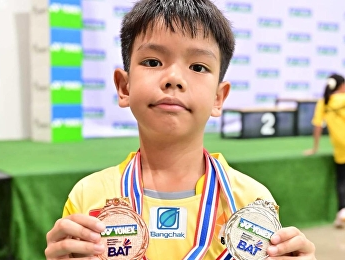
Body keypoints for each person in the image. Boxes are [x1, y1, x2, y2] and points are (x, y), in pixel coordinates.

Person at [45, 0, 316, 259]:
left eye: (198, 67)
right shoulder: (88, 196)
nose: (174, 78)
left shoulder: (250, 203)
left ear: (218, 98)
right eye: (153, 62)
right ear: (124, 87)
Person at [304, 73, 345, 228]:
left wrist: (315, 148)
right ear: (342, 86)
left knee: (342, 179)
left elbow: (317, 126)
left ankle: (342, 210)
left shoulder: (324, 102)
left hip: (341, 147)